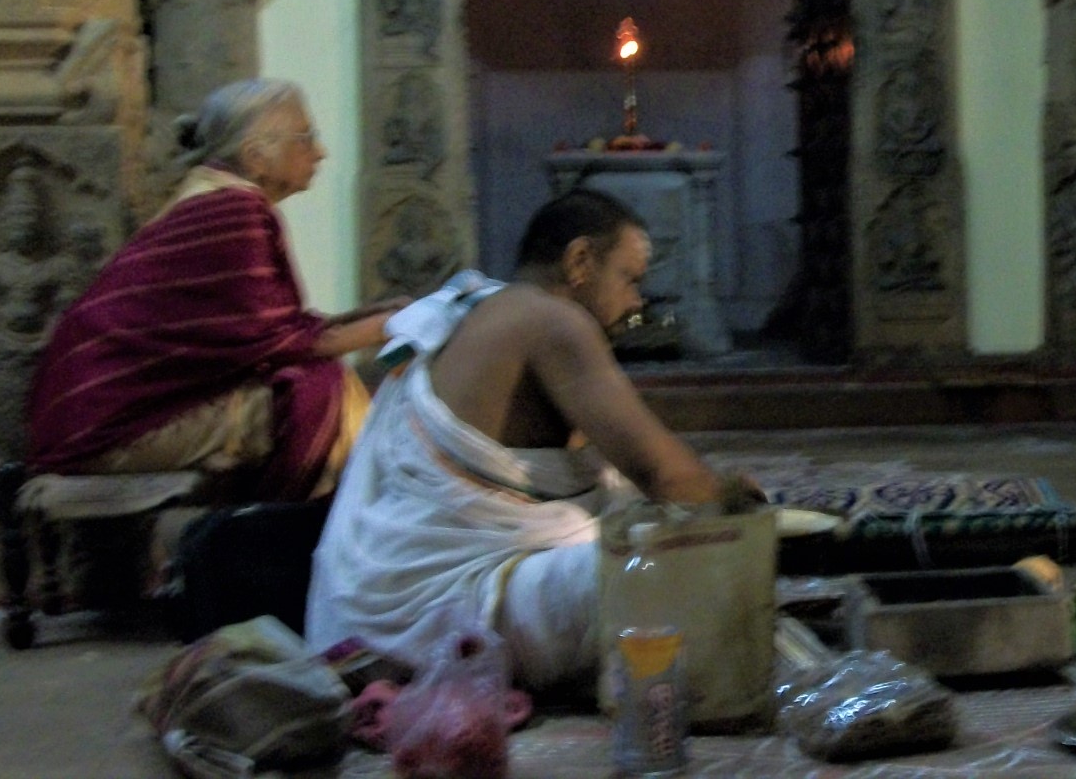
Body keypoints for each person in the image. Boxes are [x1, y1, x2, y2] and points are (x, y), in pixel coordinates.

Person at [305, 190, 752, 689]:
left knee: (650, 538)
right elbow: (663, 475)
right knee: (672, 567)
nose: (636, 303)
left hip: (371, 606)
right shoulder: (554, 321)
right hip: (437, 610)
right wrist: (742, 510)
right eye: (630, 279)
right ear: (579, 261)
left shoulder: (481, 306)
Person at [28, 79, 400, 501]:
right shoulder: (234, 209)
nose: (320, 152)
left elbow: (268, 331)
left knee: (320, 381)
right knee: (320, 392)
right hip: (109, 426)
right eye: (306, 137)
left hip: (87, 414)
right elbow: (276, 342)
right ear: (256, 156)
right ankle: (299, 534)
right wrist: (394, 325)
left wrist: (375, 319)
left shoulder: (215, 198)